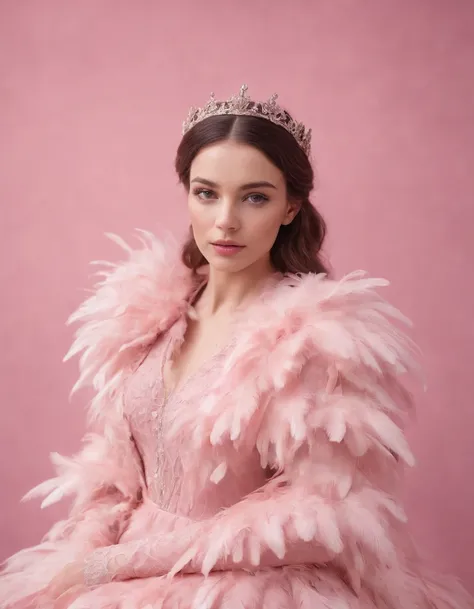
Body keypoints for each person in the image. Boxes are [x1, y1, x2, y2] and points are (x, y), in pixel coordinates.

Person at [0, 84, 472, 609]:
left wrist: (120, 564)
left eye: (254, 197)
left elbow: (323, 517)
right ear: (186, 194)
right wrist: (86, 557)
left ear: (291, 206)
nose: (225, 219)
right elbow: (114, 475)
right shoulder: (144, 317)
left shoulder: (315, 339)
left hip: (248, 584)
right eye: (207, 193)